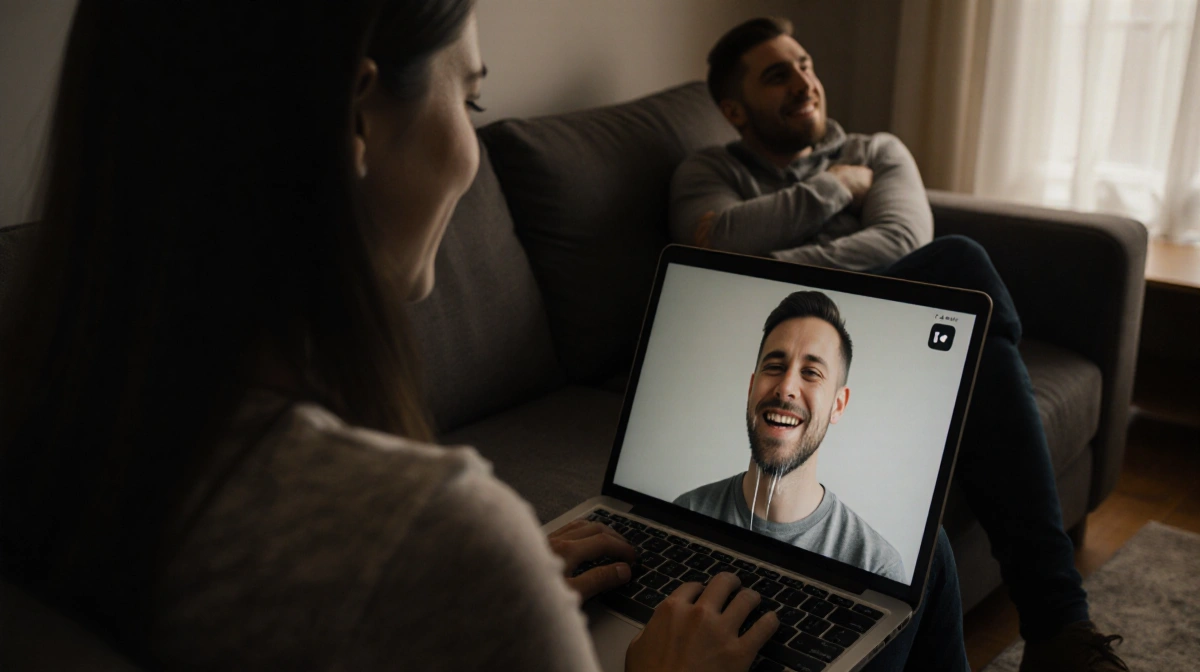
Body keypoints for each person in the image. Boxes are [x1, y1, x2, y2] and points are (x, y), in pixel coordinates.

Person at [0, 3, 782, 671]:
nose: (473, 160)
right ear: (357, 122)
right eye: (470, 102)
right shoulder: (435, 540)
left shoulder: (52, 443)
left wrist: (475, 602)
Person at [669, 17, 1128, 672]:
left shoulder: (878, 150)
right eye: (778, 74)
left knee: (958, 267)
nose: (804, 80)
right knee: (966, 269)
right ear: (734, 109)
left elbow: (901, 244)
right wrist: (835, 189)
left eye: (805, 63)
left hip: (887, 330)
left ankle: (1059, 628)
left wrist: (773, 264)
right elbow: (710, 251)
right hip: (771, 341)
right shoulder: (706, 170)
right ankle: (1061, 629)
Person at [674, 291, 905, 583]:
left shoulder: (875, 567)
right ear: (751, 386)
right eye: (774, 367)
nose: (786, 388)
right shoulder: (685, 515)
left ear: (838, 405)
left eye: (810, 372)